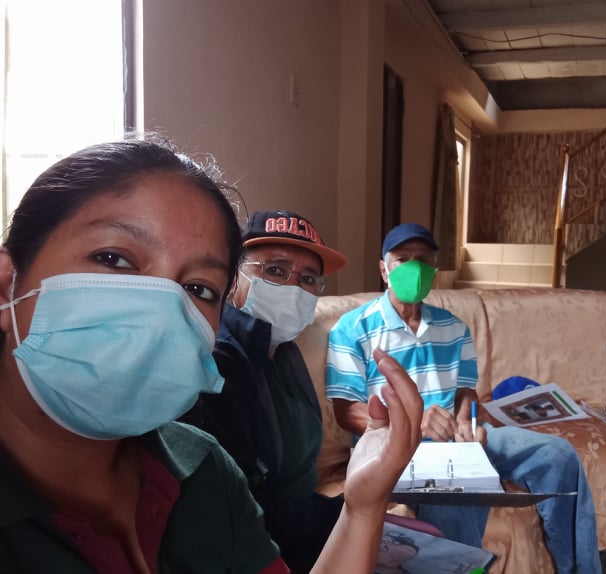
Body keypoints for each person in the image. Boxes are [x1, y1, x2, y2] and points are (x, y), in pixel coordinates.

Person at [0, 136, 423, 573]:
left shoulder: (203, 468)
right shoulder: (225, 374)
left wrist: (363, 507)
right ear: (6, 283)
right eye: (114, 259)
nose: (161, 312)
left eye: (197, 288)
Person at [325, 222, 602, 574]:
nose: (414, 268)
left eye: (423, 260)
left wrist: (465, 421)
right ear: (384, 269)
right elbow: (346, 410)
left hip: (454, 439)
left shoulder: (454, 327)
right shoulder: (352, 328)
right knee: (455, 489)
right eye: (403, 259)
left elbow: (465, 392)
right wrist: (410, 422)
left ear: (434, 270)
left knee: (557, 454)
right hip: (393, 445)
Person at [181, 209, 349, 572]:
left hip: (307, 526)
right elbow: (249, 514)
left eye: (308, 278)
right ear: (233, 277)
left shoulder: (283, 351)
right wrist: (350, 514)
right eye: (275, 270)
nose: (294, 288)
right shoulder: (218, 366)